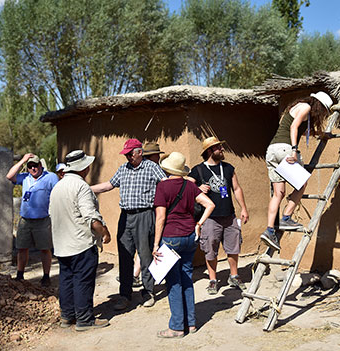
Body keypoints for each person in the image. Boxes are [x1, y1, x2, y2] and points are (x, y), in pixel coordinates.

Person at [91, 139, 166, 310]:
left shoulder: (152, 168)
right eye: (126, 154)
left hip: (145, 215)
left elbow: (166, 185)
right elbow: (108, 185)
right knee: (125, 255)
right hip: (126, 217)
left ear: (140, 152)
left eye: (130, 153)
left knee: (146, 256)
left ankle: (148, 292)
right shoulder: (123, 169)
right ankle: (125, 295)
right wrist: (86, 188)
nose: (128, 157)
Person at [152, 152, 215, 338]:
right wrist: (198, 224)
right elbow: (210, 204)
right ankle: (192, 323)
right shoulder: (190, 185)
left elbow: (161, 217)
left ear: (167, 169)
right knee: (187, 277)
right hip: (189, 236)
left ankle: (177, 327)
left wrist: (155, 244)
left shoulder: (162, 187)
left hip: (171, 237)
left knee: (173, 282)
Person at [260, 92, 334, 251]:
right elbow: (294, 127)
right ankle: (286, 217)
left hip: (272, 151)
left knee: (278, 193)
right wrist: (294, 150)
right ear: (319, 105)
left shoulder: (297, 107)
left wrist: (322, 134)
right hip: (286, 150)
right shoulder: (306, 107)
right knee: (301, 184)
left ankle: (269, 230)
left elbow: (303, 130)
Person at [50, 150, 111, 331]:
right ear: (83, 167)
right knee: (83, 280)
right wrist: (104, 233)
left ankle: (67, 316)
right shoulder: (81, 187)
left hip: (62, 244)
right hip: (81, 243)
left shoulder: (58, 187)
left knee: (66, 279)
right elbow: (91, 218)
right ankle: (84, 319)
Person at [189, 136, 250, 295]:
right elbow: (186, 187)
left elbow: (236, 189)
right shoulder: (198, 170)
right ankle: (213, 280)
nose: (222, 150)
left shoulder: (228, 168)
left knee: (233, 247)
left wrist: (243, 208)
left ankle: (234, 276)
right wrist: (197, 188)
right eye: (218, 148)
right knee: (210, 250)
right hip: (209, 218)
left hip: (229, 216)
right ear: (210, 151)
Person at [6, 153, 59, 286]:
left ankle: (46, 276)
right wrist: (22, 161)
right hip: (25, 220)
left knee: (45, 249)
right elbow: (9, 176)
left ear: (40, 165)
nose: (33, 169)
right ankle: (20, 275)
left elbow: (58, 193)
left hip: (43, 220)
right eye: (30, 166)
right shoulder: (25, 178)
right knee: (22, 248)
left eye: (35, 165)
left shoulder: (51, 177)